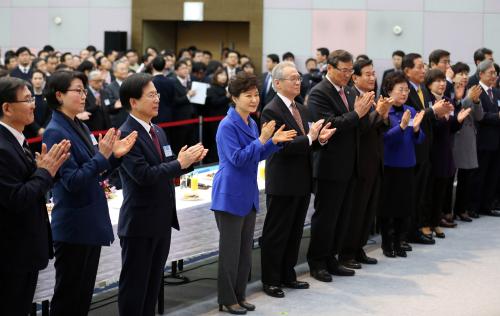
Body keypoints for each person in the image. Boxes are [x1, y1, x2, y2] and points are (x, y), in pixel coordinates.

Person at [42, 71, 137, 315]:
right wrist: (102, 156)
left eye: (84, 90)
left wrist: (115, 157)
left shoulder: (79, 125)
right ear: (59, 95)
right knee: (68, 298)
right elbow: (73, 181)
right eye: (78, 90)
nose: (84, 95)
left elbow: (96, 172)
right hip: (74, 224)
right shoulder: (55, 131)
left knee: (83, 296)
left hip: (89, 220)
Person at [117, 73, 206, 315]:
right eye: (151, 95)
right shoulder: (127, 134)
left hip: (161, 219)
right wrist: (179, 163)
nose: (157, 99)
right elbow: (144, 175)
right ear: (133, 102)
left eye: (157, 94)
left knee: (153, 284)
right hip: (140, 222)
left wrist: (188, 161)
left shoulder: (157, 130)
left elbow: (166, 167)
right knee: (135, 286)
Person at [211, 72, 296, 314]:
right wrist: (262, 139)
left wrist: (273, 143)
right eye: (247, 96)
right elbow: (237, 159)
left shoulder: (250, 121)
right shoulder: (227, 125)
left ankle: (239, 294)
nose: (254, 99)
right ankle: (227, 299)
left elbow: (256, 155)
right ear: (234, 98)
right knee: (230, 253)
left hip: (246, 192)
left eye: (256, 94)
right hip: (230, 193)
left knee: (244, 252)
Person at [260, 61, 335, 298]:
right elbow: (282, 147)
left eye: (299, 78)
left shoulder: (302, 109)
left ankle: (287, 274)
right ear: (278, 83)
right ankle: (271, 280)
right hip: (282, 180)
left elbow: (306, 145)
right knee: (277, 232)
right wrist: (311, 139)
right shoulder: (271, 110)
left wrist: (319, 140)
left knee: (294, 231)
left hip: (302, 179)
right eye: (292, 78)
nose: (298, 82)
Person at [0, 77, 70, 315]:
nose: (34, 105)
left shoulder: (16, 140)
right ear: (7, 108)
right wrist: (44, 172)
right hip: (11, 252)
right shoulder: (2, 146)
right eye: (27, 99)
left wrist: (41, 172)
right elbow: (16, 198)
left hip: (24, 247)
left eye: (33, 98)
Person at [307, 50, 373, 283]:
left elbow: (357, 125)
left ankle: (332, 258)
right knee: (326, 218)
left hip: (349, 165)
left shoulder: (347, 91)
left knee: (342, 217)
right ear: (329, 69)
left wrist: (365, 114)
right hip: (329, 167)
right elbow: (329, 125)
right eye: (343, 70)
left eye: (350, 71)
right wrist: (357, 113)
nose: (347, 75)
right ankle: (317, 262)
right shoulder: (318, 93)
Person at [339, 59, 391, 269]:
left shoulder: (372, 97)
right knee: (356, 210)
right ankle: (346, 253)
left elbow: (379, 128)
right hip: (360, 163)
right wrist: (378, 113)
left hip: (376, 160)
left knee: (369, 209)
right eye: (367, 74)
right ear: (355, 77)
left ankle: (358, 248)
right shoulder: (352, 98)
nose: (372, 78)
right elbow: (360, 129)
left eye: (373, 74)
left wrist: (383, 114)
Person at [402, 53, 453, 245]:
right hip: (411, 148)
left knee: (420, 192)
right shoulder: (404, 88)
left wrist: (437, 113)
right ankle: (405, 232)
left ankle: (415, 229)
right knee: (410, 192)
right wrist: (433, 111)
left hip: (425, 148)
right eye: (419, 67)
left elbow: (426, 117)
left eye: (424, 67)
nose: (423, 70)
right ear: (407, 70)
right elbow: (412, 115)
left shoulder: (422, 88)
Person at [379, 72, 425, 258]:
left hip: (408, 164)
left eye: (406, 90)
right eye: (400, 90)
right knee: (388, 207)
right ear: (389, 90)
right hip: (389, 165)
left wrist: (415, 129)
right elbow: (384, 139)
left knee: (404, 206)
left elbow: (420, 139)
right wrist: (402, 127)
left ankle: (399, 240)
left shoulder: (411, 110)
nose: (405, 93)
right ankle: (387, 243)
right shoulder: (384, 111)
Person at [425, 69, 471, 238]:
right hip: (431, 150)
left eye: (444, 81)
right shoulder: (427, 101)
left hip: (445, 150)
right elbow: (430, 125)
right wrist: (438, 115)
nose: (442, 83)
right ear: (429, 83)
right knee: (429, 190)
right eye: (438, 81)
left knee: (441, 190)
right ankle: (426, 224)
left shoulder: (448, 100)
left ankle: (436, 222)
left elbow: (450, 127)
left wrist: (458, 121)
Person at [451, 62, 484, 221]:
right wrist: (467, 99)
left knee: (467, 175)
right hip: (456, 136)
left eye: (466, 73)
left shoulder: (472, 89)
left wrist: (476, 101)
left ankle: (461, 208)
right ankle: (451, 210)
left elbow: (479, 116)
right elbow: (455, 110)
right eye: (461, 73)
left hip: (469, 136)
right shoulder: (450, 89)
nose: (464, 76)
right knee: (453, 177)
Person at [471, 59, 500, 217]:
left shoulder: (496, 92)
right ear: (481, 74)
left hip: (496, 140)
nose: (494, 76)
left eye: (495, 73)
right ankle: (474, 206)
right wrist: (497, 117)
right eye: (491, 73)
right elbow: (480, 117)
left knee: (493, 175)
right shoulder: (475, 92)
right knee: (480, 175)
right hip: (482, 140)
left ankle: (487, 205)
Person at [204, 68, 231, 163]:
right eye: (221, 75)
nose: (224, 77)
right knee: (216, 141)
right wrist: (226, 97)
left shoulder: (226, 88)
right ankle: (214, 160)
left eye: (225, 75)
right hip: (215, 119)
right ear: (216, 76)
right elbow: (214, 103)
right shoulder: (211, 89)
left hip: (225, 117)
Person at [172, 60, 196, 154]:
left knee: (191, 142)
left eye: (186, 68)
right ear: (176, 71)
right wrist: (188, 96)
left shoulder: (191, 82)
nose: (185, 70)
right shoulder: (173, 82)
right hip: (180, 118)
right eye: (182, 68)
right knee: (180, 144)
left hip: (192, 117)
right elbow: (174, 101)